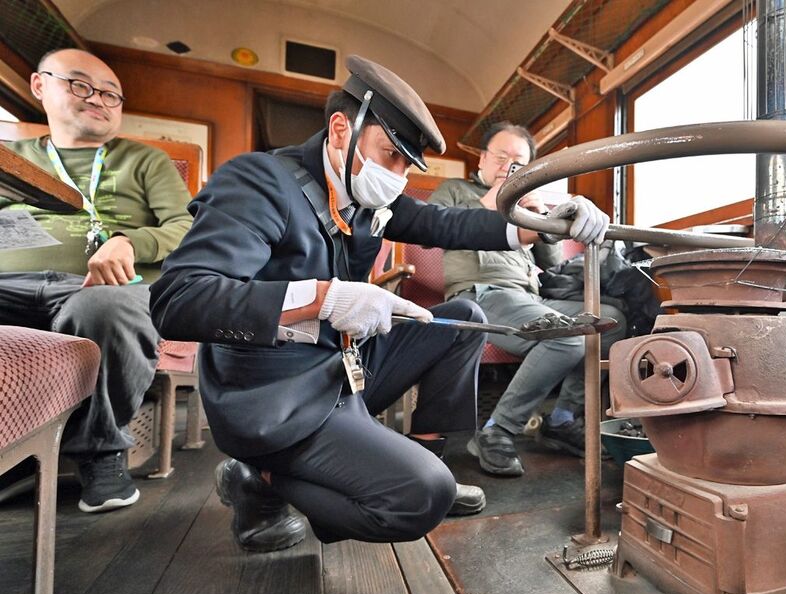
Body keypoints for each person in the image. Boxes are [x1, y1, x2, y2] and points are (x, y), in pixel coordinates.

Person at [149, 55, 609, 550]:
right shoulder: (260, 182)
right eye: (388, 153)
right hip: (271, 395)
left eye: (404, 165)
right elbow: (180, 299)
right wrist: (323, 299)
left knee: (459, 319)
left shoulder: (371, 198)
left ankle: (424, 453)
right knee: (418, 498)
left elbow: (448, 225)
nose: (394, 175)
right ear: (341, 129)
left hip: (338, 369)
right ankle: (254, 478)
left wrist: (545, 222)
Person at [0, 49, 193, 511]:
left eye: (112, 94)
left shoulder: (144, 161)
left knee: (107, 309)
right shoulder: (11, 157)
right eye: (81, 85)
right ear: (39, 85)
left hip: (98, 288)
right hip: (10, 281)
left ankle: (101, 451)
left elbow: (188, 228)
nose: (100, 100)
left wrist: (128, 242)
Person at [430, 122, 628, 477]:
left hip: (529, 296)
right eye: (502, 157)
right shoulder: (455, 190)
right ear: (483, 158)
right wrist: (496, 200)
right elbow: (433, 230)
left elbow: (551, 268)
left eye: (519, 163)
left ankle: (563, 419)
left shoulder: (525, 207)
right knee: (566, 335)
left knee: (611, 320)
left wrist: (544, 223)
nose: (508, 167)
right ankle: (497, 429)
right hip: (480, 294)